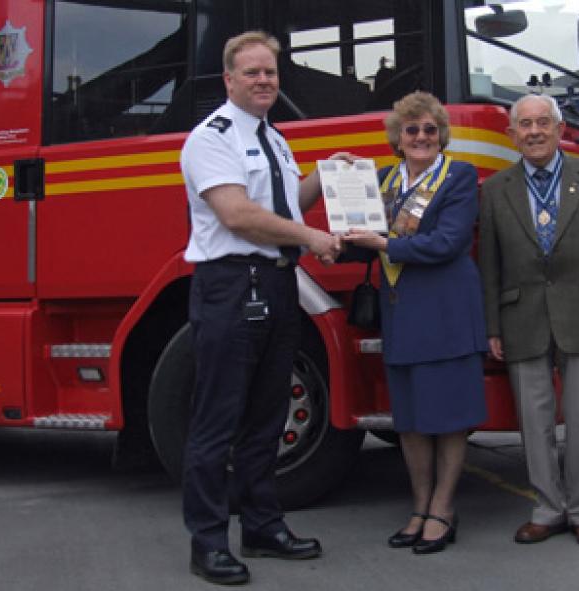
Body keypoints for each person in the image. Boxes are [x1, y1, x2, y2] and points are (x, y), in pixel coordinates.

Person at [180, 31, 351, 585]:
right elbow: (237, 215)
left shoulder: (274, 138)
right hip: (231, 286)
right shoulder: (211, 138)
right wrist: (312, 237)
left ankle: (261, 526)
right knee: (217, 421)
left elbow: (282, 205)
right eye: (251, 72)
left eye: (270, 72)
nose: (263, 81)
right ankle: (208, 542)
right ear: (229, 79)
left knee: (266, 418)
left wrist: (324, 177)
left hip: (278, 283)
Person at [478, 94, 579, 548]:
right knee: (534, 422)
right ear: (512, 135)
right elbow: (490, 265)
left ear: (560, 129)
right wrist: (493, 326)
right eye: (525, 125)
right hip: (521, 317)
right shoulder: (496, 189)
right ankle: (547, 509)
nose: (534, 132)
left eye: (542, 122)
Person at [343, 91, 488, 555]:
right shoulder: (383, 180)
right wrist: (342, 196)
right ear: (398, 137)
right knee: (408, 420)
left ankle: (443, 508)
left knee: (448, 419)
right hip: (402, 315)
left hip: (446, 313)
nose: (422, 136)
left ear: (441, 135)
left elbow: (448, 242)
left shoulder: (458, 176)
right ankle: (420, 506)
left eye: (430, 129)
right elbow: (362, 239)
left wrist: (383, 244)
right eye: (412, 130)